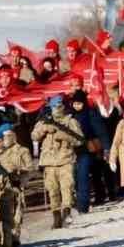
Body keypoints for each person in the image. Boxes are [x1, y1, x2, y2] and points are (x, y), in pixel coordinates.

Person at [34, 97, 84, 229]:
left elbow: (79, 140)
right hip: (49, 162)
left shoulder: (70, 121)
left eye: (60, 105)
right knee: (53, 190)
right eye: (55, 105)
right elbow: (34, 136)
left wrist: (65, 136)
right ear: (50, 107)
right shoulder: (44, 121)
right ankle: (56, 216)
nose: (58, 108)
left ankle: (66, 213)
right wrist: (44, 129)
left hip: (65, 160)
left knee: (67, 187)